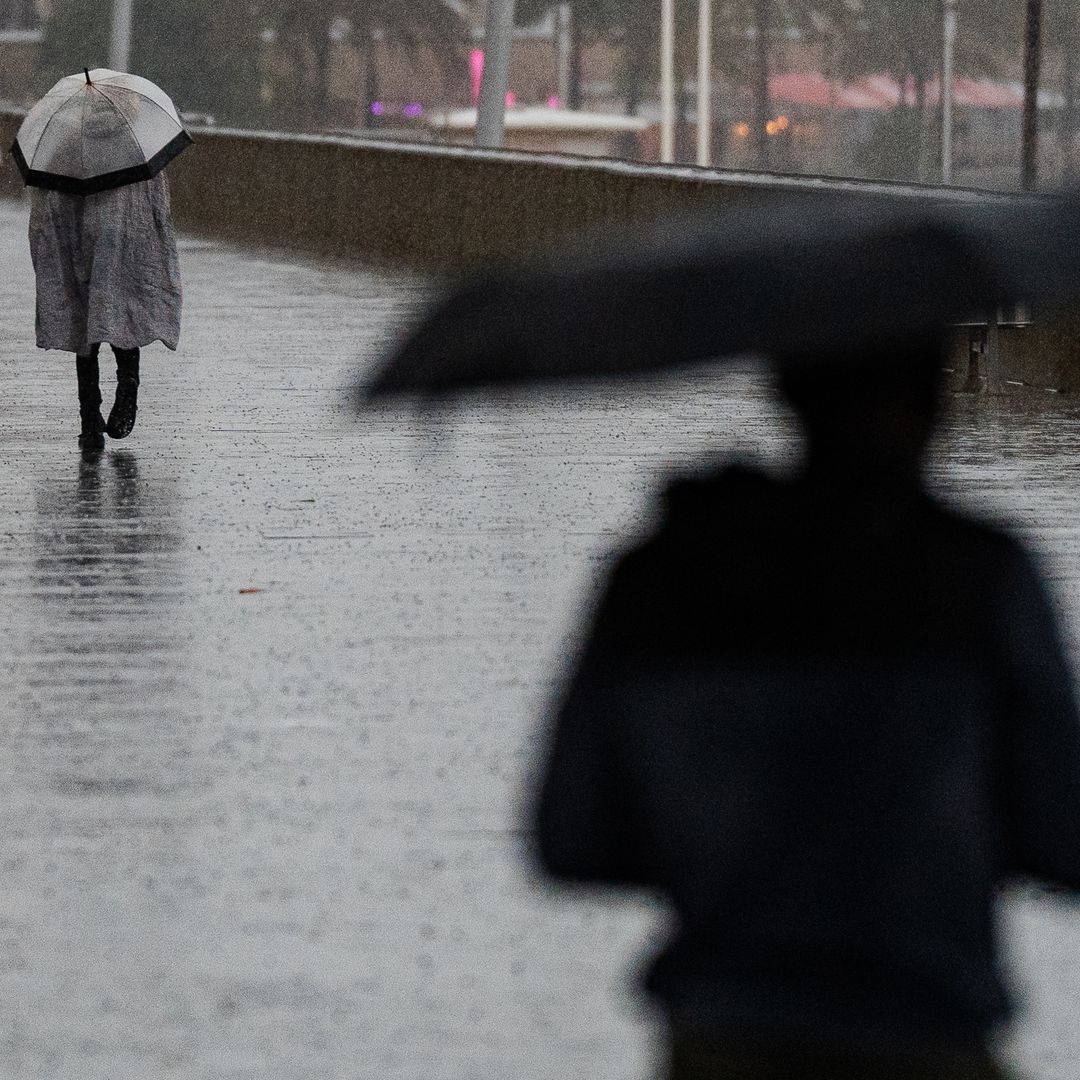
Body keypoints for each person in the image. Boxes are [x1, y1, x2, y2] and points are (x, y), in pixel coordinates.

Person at [534, 334, 1080, 1079]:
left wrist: (733, 842)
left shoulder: (662, 578)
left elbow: (571, 841)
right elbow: (1062, 837)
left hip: (724, 1041)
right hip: (927, 1035)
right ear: (934, 400)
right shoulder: (983, 577)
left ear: (783, 392)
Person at [29, 164, 182, 452]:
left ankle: (90, 413)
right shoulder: (133, 151)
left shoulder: (68, 148)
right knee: (119, 309)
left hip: (86, 229)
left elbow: (49, 198)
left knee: (87, 319)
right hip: (118, 228)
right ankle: (126, 385)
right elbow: (157, 200)